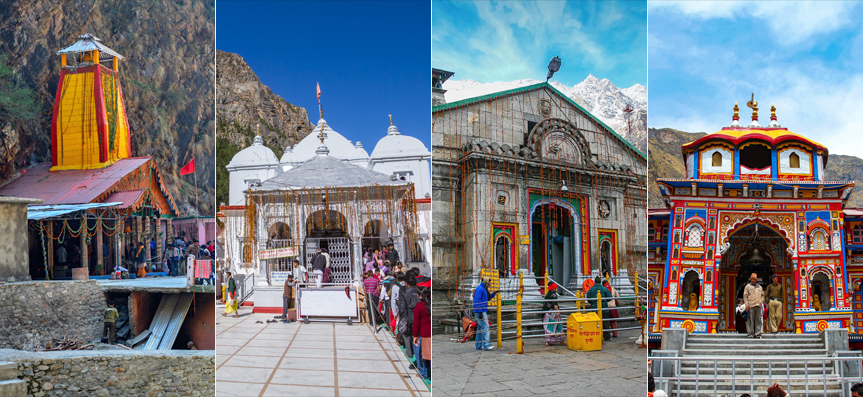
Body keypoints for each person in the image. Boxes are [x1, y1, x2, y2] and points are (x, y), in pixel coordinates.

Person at [472, 276, 499, 351]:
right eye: (489, 282)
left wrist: (494, 294)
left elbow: (486, 298)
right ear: (486, 282)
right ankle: (486, 345)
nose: (490, 283)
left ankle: (478, 345)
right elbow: (477, 301)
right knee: (485, 326)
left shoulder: (483, 289)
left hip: (480, 310)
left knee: (480, 328)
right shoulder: (480, 289)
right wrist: (480, 310)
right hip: (480, 310)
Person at [398, 270, 420, 360]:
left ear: (406, 283)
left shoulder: (404, 292)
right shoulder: (420, 289)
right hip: (420, 318)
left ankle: (411, 355)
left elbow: (402, 309)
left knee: (409, 337)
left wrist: (402, 320)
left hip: (409, 319)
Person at [585, 276, 612, 341]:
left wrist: (593, 302)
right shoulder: (604, 289)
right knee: (605, 322)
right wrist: (604, 301)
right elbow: (609, 297)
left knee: (594, 323)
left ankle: (595, 335)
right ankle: (607, 337)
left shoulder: (591, 290)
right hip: (604, 308)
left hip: (594, 308)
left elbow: (588, 299)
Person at [413, 285, 431, 380]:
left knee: (420, 354)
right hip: (429, 334)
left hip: (423, 334)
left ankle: (423, 373)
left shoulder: (419, 306)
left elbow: (416, 323)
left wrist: (415, 336)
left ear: (420, 296)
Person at [743, 272, 765, 339]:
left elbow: (763, 296)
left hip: (758, 305)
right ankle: (750, 333)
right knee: (750, 320)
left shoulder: (759, 287)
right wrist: (747, 305)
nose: (753, 280)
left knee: (758, 320)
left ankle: (758, 333)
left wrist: (761, 301)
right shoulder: (748, 287)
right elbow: (745, 296)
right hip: (751, 305)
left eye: (754, 279)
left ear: (756, 279)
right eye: (752, 279)